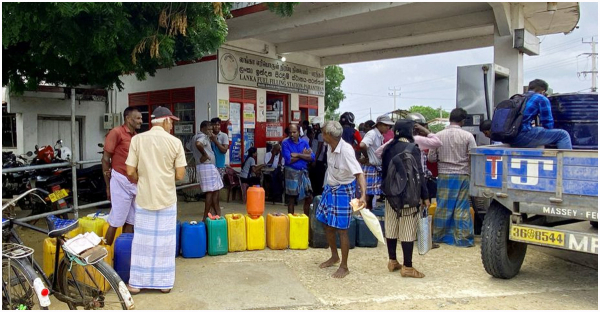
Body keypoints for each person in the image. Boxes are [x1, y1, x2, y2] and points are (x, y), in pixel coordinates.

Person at [125, 106, 187, 294]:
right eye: (172, 122)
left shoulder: (137, 140)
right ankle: (164, 283)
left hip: (144, 198)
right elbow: (180, 175)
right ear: (166, 121)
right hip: (166, 199)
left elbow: (129, 171)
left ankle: (136, 283)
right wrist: (165, 178)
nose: (172, 126)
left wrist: (143, 179)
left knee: (142, 241)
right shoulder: (175, 143)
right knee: (165, 242)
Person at [316, 121, 367, 279]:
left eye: (323, 132)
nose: (321, 134)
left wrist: (363, 195)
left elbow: (359, 174)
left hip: (344, 191)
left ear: (329, 135)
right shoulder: (329, 145)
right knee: (326, 222)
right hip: (331, 188)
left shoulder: (346, 151)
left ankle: (344, 266)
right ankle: (334, 256)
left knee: (342, 230)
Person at [380, 119, 429, 278]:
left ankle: (392, 260)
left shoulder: (388, 147)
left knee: (391, 226)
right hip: (409, 195)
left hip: (390, 194)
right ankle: (407, 266)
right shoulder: (412, 148)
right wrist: (425, 196)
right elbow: (419, 174)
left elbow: (384, 172)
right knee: (407, 229)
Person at [428, 108, 477, 247]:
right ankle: (462, 239)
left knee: (443, 206)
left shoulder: (438, 135)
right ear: (462, 121)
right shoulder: (468, 136)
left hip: (443, 174)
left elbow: (431, 158)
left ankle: (440, 236)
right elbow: (473, 156)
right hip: (462, 174)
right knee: (462, 207)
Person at [101, 107, 142, 245]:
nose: (140, 121)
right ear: (128, 119)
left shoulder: (136, 137)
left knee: (131, 220)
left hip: (133, 182)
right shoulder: (116, 132)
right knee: (116, 220)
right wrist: (108, 186)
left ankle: (125, 252)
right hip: (119, 180)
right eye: (137, 118)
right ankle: (104, 255)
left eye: (141, 118)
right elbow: (106, 159)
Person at [507, 79, 572, 149]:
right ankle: (568, 159)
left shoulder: (518, 98)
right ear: (543, 91)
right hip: (521, 137)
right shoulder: (541, 98)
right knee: (562, 134)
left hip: (509, 137)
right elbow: (548, 124)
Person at [359, 115, 394, 209]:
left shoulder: (379, 135)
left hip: (374, 167)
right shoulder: (372, 134)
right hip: (370, 167)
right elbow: (362, 145)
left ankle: (368, 215)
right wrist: (367, 157)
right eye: (387, 125)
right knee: (367, 195)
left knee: (371, 196)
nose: (388, 128)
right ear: (379, 125)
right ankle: (364, 217)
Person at [194, 120, 224, 220]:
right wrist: (205, 155)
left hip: (205, 166)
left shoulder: (196, 136)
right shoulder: (202, 137)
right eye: (209, 129)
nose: (211, 131)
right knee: (210, 192)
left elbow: (189, 147)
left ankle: (216, 213)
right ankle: (205, 216)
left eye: (211, 129)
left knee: (215, 190)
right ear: (202, 129)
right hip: (207, 166)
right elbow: (198, 144)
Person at [282, 124, 315, 215]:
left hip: (303, 172)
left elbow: (312, 157)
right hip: (291, 172)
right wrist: (303, 154)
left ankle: (306, 220)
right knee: (291, 199)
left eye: (294, 132)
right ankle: (291, 220)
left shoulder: (304, 142)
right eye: (290, 132)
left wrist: (298, 155)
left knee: (309, 197)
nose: (292, 134)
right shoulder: (285, 143)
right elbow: (289, 160)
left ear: (298, 132)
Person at [310, 116, 327, 196]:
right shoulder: (315, 134)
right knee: (313, 178)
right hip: (313, 158)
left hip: (318, 160)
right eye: (313, 125)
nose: (314, 127)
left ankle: (318, 194)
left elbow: (319, 148)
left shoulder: (320, 135)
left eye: (316, 125)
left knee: (318, 179)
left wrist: (315, 160)